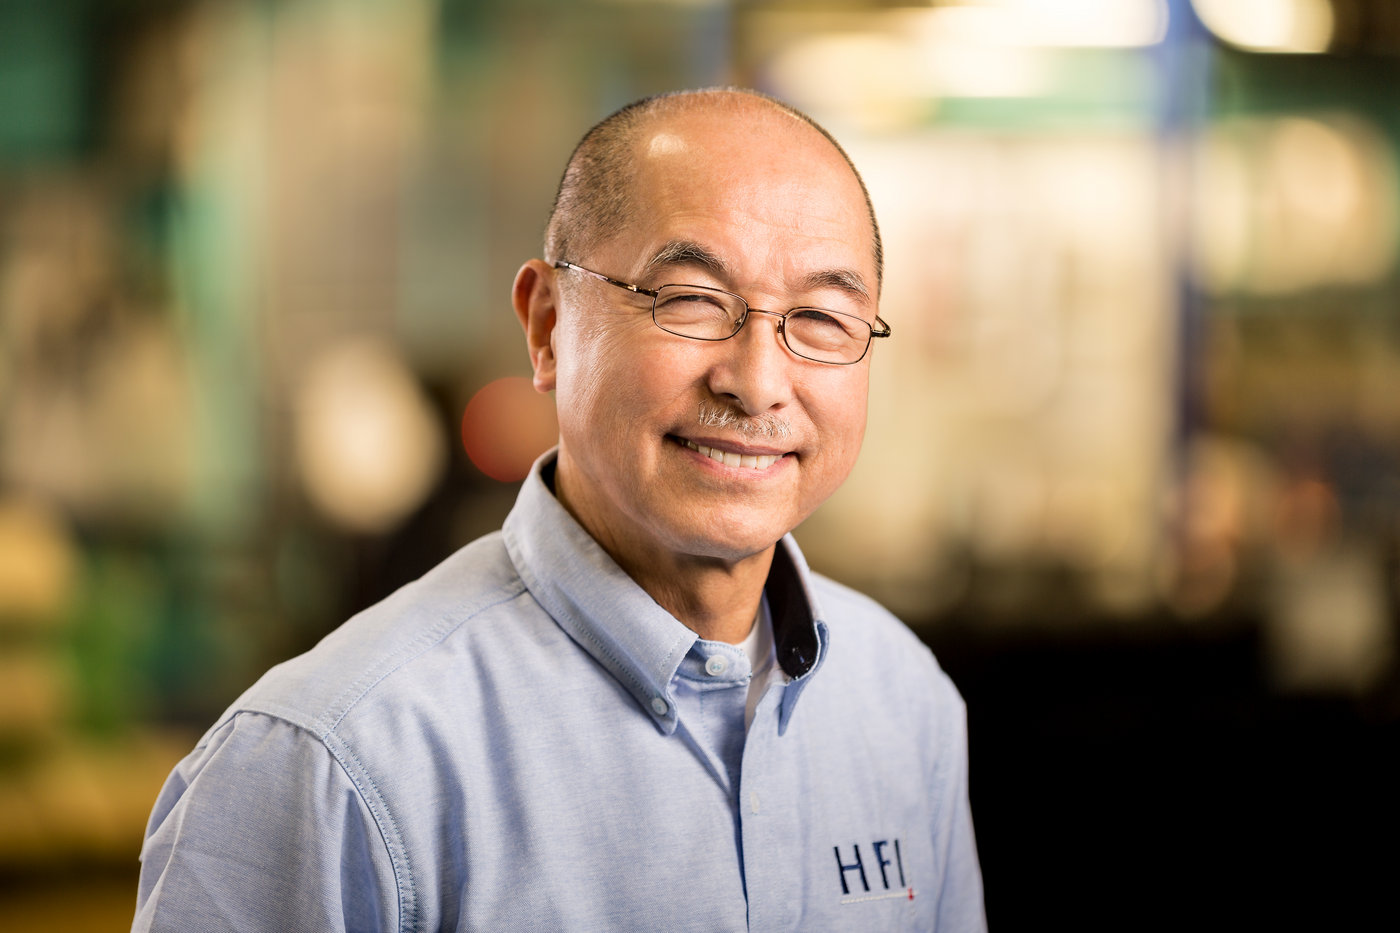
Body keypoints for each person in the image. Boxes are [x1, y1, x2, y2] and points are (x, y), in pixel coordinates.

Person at [133, 87, 986, 932]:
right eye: (690, 299)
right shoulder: (329, 763)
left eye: (823, 317)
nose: (759, 380)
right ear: (547, 326)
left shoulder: (903, 702)